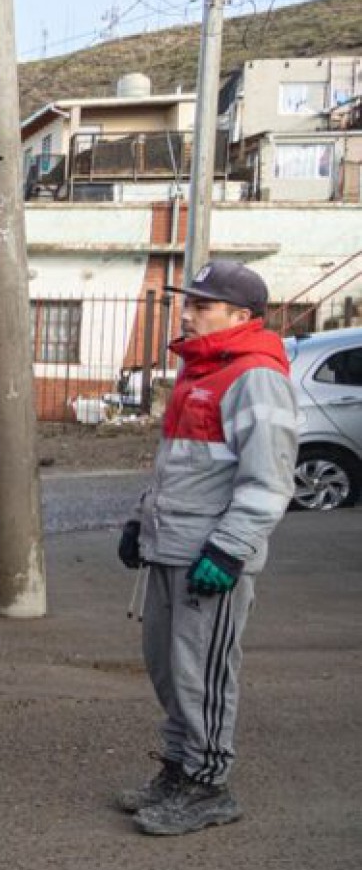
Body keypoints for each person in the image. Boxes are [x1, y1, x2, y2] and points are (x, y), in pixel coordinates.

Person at [115, 260, 298, 837]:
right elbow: (178, 469)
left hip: (208, 557)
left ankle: (208, 784)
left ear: (241, 316)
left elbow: (269, 479)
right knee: (169, 669)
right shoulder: (201, 373)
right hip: (171, 548)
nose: (188, 313)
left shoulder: (255, 376)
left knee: (204, 673)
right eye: (188, 303)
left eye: (202, 305)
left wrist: (228, 550)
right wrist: (139, 522)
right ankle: (178, 768)